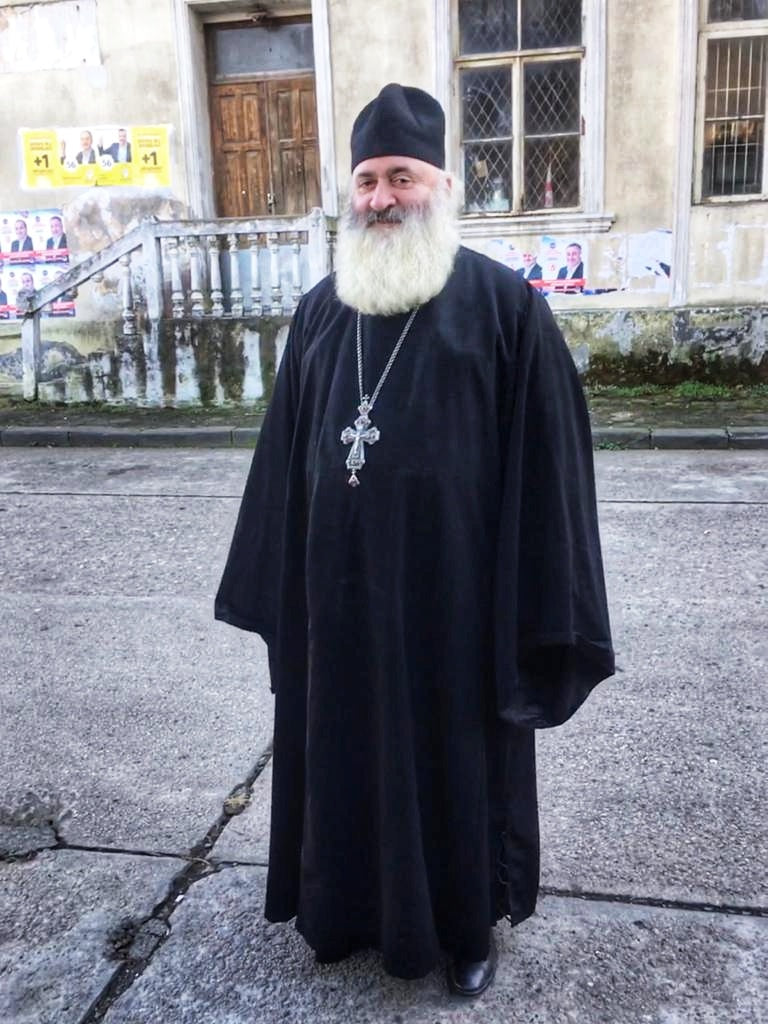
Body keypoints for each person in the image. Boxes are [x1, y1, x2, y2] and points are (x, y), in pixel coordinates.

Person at [215, 84, 614, 997]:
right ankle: (343, 909)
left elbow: (553, 481)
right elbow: (284, 466)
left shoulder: (509, 312)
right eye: (366, 180)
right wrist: (282, 595)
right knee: (340, 748)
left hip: (456, 611)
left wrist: (535, 613)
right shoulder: (321, 314)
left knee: (451, 764)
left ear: (443, 183)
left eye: (402, 176)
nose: (383, 198)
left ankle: (464, 926)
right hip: (339, 607)